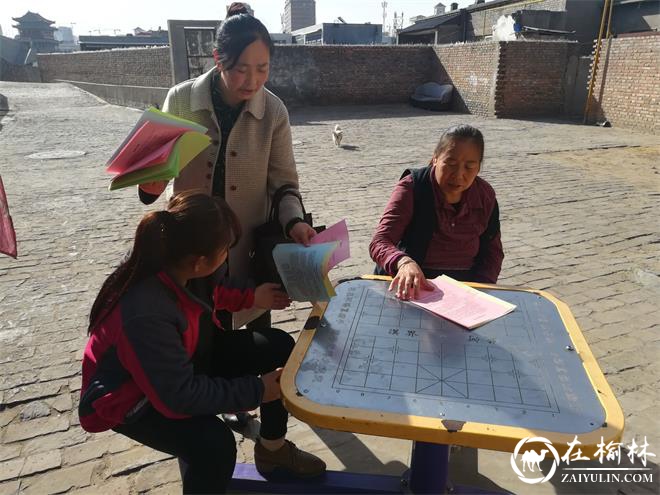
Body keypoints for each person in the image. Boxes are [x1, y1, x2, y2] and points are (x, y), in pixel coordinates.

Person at [79, 193, 326, 494]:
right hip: (132, 398)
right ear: (199, 262)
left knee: (277, 345)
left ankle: (272, 451)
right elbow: (179, 397)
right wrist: (259, 389)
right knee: (214, 445)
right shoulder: (146, 313)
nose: (227, 257)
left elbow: (215, 290)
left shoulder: (178, 263)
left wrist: (253, 296)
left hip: (182, 358)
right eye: (225, 251)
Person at [138, 2, 316, 330]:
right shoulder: (180, 100)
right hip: (191, 248)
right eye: (241, 68)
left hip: (247, 247)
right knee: (194, 333)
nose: (252, 80)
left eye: (262, 68)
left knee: (256, 330)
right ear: (219, 59)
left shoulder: (274, 112)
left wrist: (293, 222)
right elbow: (156, 172)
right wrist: (149, 185)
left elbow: (284, 183)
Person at [369, 124, 504, 300]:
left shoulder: (485, 195)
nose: (458, 175)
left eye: (469, 167)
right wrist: (403, 262)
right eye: (451, 163)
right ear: (435, 159)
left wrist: (480, 290)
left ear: (478, 168)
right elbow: (380, 242)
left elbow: (492, 253)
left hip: (465, 289)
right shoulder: (412, 188)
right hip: (415, 285)